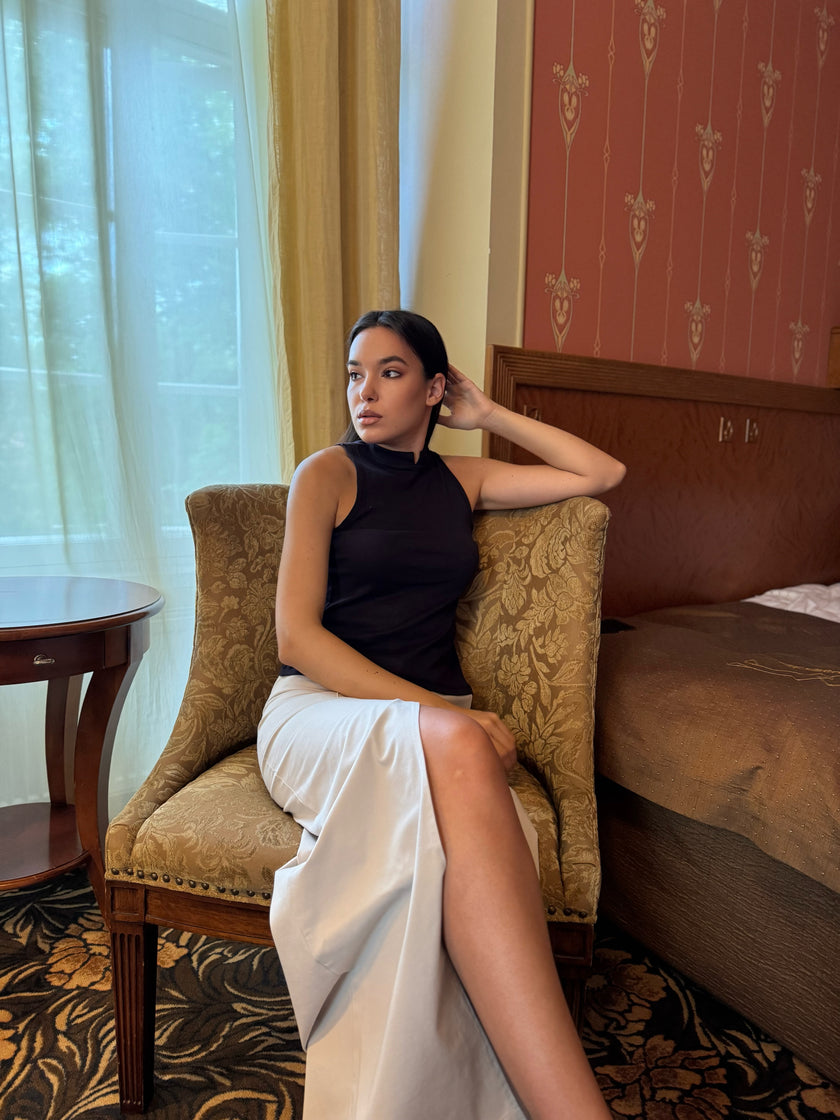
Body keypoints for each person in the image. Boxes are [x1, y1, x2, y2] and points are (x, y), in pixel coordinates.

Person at [257, 309, 625, 1120]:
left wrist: (487, 414)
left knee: (446, 835)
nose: (364, 391)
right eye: (355, 373)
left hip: (433, 729)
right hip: (319, 713)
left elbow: (601, 473)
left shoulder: (464, 478)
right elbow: (296, 636)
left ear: (433, 388)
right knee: (461, 749)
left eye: (390, 372)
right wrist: (444, 716)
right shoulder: (326, 474)